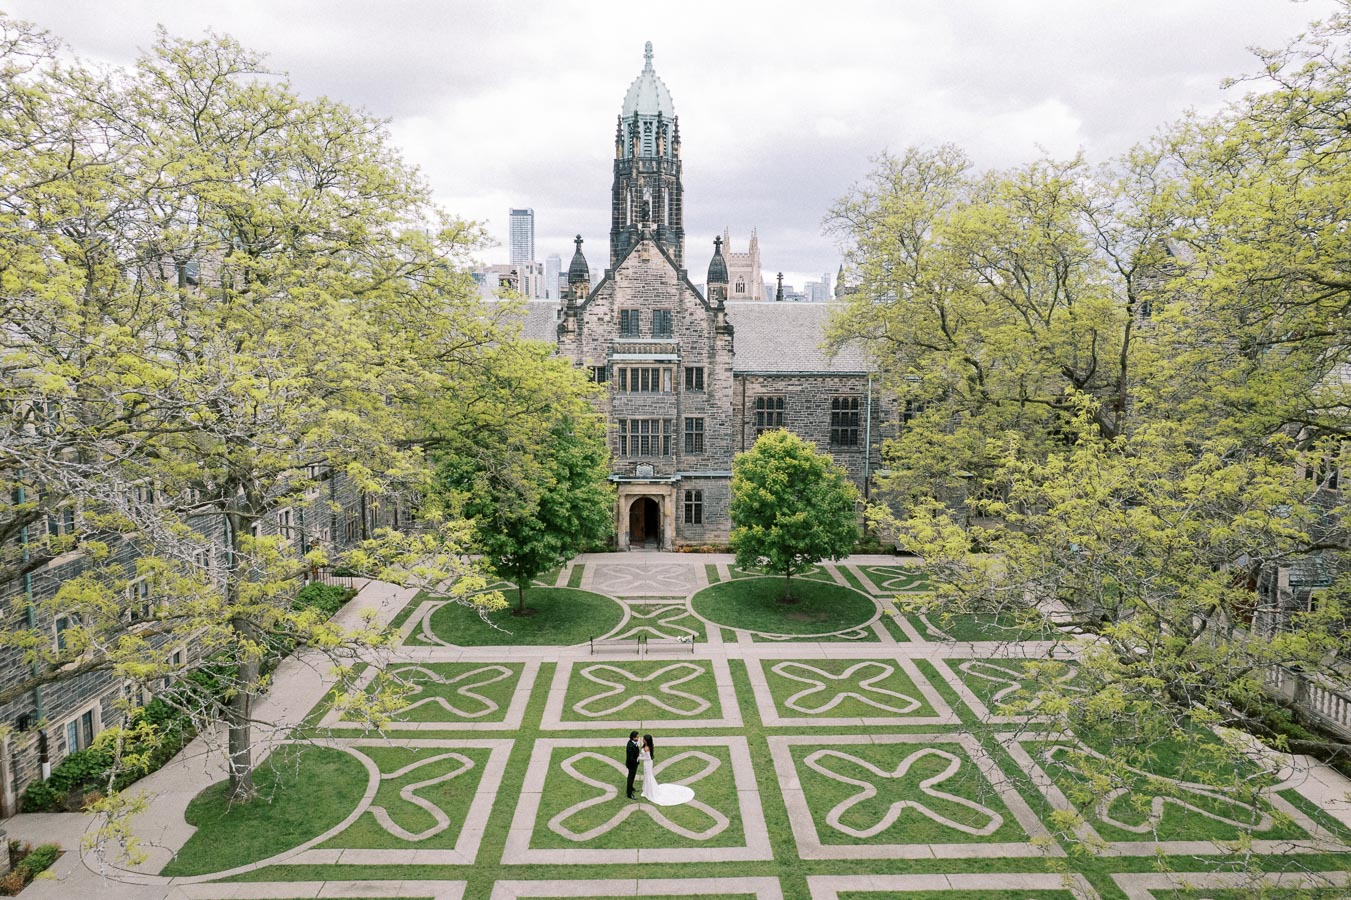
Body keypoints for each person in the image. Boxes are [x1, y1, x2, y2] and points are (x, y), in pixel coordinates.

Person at [638, 733, 694, 806]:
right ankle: (646, 790)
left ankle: (649, 791)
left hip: (647, 763)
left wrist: (639, 758)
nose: (643, 740)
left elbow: (648, 758)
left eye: (644, 739)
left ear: (647, 740)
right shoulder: (647, 746)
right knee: (647, 776)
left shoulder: (646, 748)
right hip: (647, 763)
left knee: (649, 776)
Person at [625, 730, 640, 800]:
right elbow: (630, 758)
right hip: (632, 765)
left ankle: (631, 788)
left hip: (633, 764)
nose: (638, 738)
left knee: (632, 777)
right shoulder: (630, 746)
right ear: (633, 738)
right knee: (630, 778)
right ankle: (629, 793)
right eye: (637, 737)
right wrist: (636, 760)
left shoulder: (632, 743)